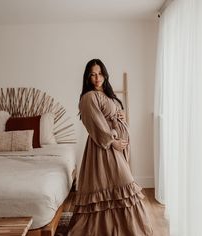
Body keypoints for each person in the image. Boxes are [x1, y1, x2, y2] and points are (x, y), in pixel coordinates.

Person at [67, 59, 153, 236]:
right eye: (93, 74)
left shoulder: (106, 94)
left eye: (99, 73)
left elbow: (110, 117)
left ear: (105, 74)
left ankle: (122, 229)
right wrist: (112, 141)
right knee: (124, 186)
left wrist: (120, 115)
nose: (97, 78)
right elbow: (96, 125)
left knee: (118, 191)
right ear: (87, 77)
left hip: (115, 149)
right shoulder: (89, 97)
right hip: (103, 149)